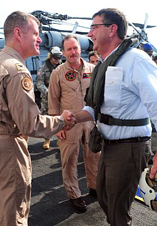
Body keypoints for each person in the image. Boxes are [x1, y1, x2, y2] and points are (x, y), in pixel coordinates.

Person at [0, 11, 75, 226]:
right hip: (6, 149)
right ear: (18, 33)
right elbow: (30, 123)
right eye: (35, 33)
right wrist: (62, 120)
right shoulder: (17, 70)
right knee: (13, 214)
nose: (40, 39)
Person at [71, 8, 157, 225]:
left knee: (118, 209)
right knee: (103, 197)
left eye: (94, 27)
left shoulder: (135, 60)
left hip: (129, 147)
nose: (89, 34)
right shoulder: (104, 64)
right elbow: (96, 107)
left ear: (112, 30)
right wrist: (72, 118)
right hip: (108, 145)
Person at [48, 35, 100, 212]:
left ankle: (94, 186)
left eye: (75, 48)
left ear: (80, 49)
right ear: (63, 52)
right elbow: (53, 101)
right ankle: (74, 194)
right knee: (69, 159)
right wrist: (57, 126)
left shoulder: (93, 69)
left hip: (91, 121)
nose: (73, 52)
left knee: (94, 155)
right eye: (69, 49)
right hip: (68, 124)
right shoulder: (58, 73)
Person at [35, 46, 62, 149]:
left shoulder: (62, 67)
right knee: (47, 119)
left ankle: (60, 139)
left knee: (60, 119)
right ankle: (47, 139)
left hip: (60, 98)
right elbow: (39, 83)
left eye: (59, 58)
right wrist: (48, 92)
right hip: (48, 98)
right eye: (55, 58)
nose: (57, 60)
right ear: (51, 57)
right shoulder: (43, 68)